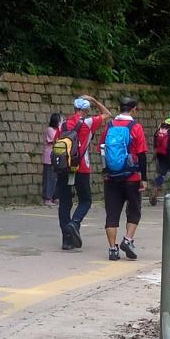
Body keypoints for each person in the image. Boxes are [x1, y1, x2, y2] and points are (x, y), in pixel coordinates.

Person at [100, 98, 147, 261]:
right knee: (134, 211)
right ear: (133, 109)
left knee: (112, 214)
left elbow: (102, 149)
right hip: (131, 177)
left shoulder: (109, 126)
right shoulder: (136, 127)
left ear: (119, 108)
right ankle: (127, 240)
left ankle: (113, 249)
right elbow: (141, 155)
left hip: (111, 177)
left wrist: (106, 171)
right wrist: (143, 178)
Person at [56, 95, 105, 250]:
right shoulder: (88, 123)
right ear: (86, 110)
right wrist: (95, 100)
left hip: (64, 167)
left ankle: (66, 241)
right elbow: (108, 114)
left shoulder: (63, 125)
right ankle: (75, 223)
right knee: (85, 200)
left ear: (74, 108)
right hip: (81, 167)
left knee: (65, 203)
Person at [41, 112, 62, 204]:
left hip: (57, 157)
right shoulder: (50, 130)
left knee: (56, 178)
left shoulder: (59, 130)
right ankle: (47, 198)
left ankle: (55, 196)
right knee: (49, 178)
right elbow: (56, 140)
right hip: (49, 158)